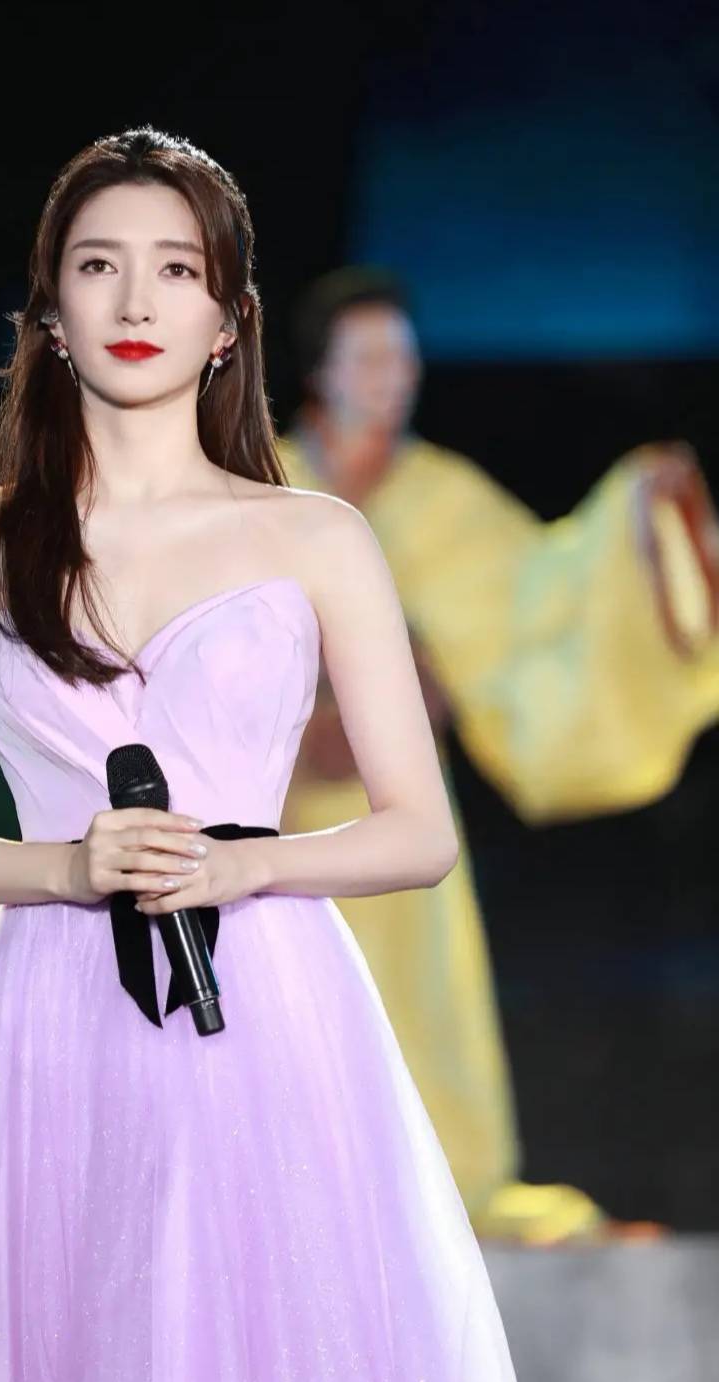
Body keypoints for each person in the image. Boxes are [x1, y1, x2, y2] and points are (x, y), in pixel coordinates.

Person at [0, 129, 535, 1382]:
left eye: (176, 269)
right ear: (51, 311)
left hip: (267, 998)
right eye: (99, 265)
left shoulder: (315, 536)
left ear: (230, 321)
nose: (137, 300)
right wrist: (62, 868)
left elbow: (421, 829)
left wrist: (246, 862)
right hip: (49, 1006)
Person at [277, 266, 719, 1242]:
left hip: (396, 816)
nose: (393, 378)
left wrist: (633, 522)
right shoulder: (261, 482)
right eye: (371, 359)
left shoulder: (442, 499)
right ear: (322, 371)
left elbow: (542, 597)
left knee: (414, 1025)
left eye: (404, 359)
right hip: (269, 818)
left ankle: (423, 1210)